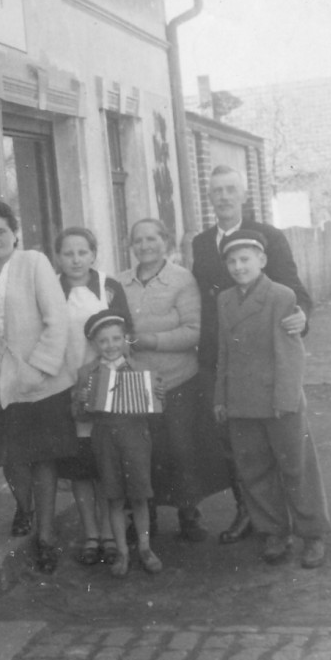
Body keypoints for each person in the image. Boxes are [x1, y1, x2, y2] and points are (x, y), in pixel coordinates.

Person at [192, 165, 312, 543]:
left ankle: (307, 529)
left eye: (230, 190)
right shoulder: (200, 243)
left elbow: (294, 289)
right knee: (242, 452)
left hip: (269, 358)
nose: (224, 197)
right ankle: (256, 517)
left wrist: (301, 316)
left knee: (290, 453)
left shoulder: (269, 237)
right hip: (224, 359)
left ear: (243, 194)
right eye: (217, 192)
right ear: (209, 198)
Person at [0, 201, 76, 574]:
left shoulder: (34, 263)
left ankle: (45, 535)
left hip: (39, 379)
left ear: (15, 233)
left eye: (1, 231)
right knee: (11, 455)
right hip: (0, 383)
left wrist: (40, 367)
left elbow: (56, 318)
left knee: (43, 456)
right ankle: (24, 507)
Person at [214, 230, 331, 567]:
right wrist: (221, 397)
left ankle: (313, 535)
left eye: (245, 259)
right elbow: (224, 352)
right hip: (241, 401)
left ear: (262, 261)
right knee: (255, 470)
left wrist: (286, 399)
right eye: (232, 261)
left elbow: (291, 354)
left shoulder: (281, 296)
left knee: (297, 467)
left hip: (280, 400)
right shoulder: (224, 300)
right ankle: (276, 531)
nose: (238, 267)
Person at [118, 218, 204, 541]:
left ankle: (189, 515)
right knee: (142, 453)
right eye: (138, 240)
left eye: (152, 238)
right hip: (137, 383)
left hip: (178, 378)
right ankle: (146, 518)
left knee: (182, 450)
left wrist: (149, 340)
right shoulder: (120, 283)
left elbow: (193, 331)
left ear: (165, 241)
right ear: (131, 246)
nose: (145, 246)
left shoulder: (182, 279)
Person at [54, 226, 132, 566]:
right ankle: (90, 534)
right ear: (58, 257)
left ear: (93, 254)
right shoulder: (51, 288)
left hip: (108, 385)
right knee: (80, 466)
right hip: (65, 386)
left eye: (82, 252)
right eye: (68, 253)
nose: (75, 259)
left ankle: (110, 532)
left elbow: (126, 333)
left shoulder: (108, 287)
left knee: (106, 465)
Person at [73, 310, 163, 578]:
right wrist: (83, 399)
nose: (111, 345)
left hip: (136, 437)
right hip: (104, 439)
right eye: (103, 341)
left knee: (139, 495)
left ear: (126, 339)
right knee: (113, 496)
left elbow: (156, 408)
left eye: (116, 339)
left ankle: (145, 548)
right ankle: (122, 551)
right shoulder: (87, 373)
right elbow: (80, 415)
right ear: (94, 344)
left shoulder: (142, 368)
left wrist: (159, 395)